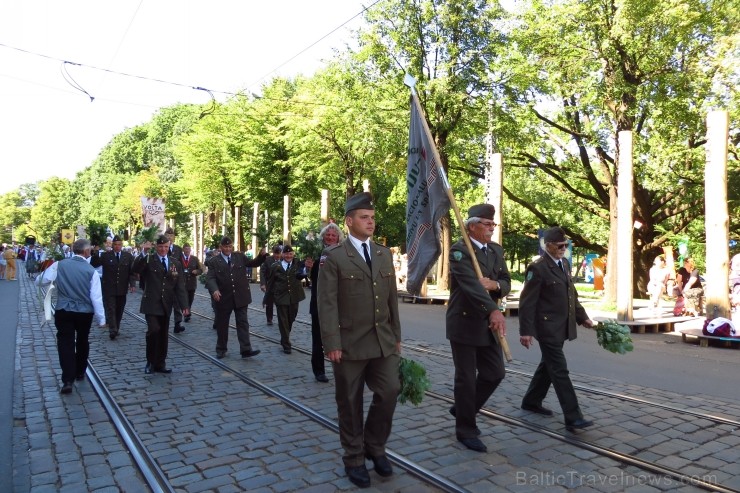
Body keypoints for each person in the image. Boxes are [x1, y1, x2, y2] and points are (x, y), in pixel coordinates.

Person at [318, 192, 401, 489]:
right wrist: (332, 343)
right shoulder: (335, 257)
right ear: (349, 221)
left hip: (382, 340)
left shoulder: (383, 254)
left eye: (373, 218)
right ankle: (353, 457)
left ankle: (375, 446)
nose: (371, 222)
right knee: (350, 401)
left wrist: (397, 337)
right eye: (364, 218)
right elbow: (326, 304)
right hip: (350, 342)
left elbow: (391, 299)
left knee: (391, 390)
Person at [446, 204, 510, 453]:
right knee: (465, 380)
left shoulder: (495, 250)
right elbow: (471, 286)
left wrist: (495, 284)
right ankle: (465, 430)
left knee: (495, 373)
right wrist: (493, 309)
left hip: (487, 324)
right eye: (486, 223)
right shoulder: (460, 251)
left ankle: (464, 409)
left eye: (493, 224)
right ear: (471, 226)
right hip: (464, 322)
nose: (491, 228)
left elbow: (506, 281)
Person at [518, 226, 595, 432]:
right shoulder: (538, 268)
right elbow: (527, 303)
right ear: (548, 246)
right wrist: (525, 331)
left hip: (562, 326)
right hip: (547, 328)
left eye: (566, 245)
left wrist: (583, 317)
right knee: (559, 370)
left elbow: (572, 295)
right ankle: (573, 416)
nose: (564, 248)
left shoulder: (565, 264)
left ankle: (531, 401)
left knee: (548, 366)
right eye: (560, 245)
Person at [36, 239, 105, 393]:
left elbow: (39, 281)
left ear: (74, 250)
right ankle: (80, 371)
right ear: (87, 252)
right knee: (82, 340)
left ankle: (67, 379)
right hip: (84, 313)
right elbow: (96, 297)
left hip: (64, 310)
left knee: (65, 343)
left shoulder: (59, 265)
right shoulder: (91, 271)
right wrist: (101, 319)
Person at [132, 235, 189, 374]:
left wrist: (184, 306)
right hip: (151, 303)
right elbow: (136, 269)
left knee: (163, 333)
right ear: (156, 247)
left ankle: (160, 363)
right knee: (154, 330)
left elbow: (180, 286)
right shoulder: (149, 260)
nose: (163, 249)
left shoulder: (175, 263)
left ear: (169, 247)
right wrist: (144, 252)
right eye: (160, 247)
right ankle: (150, 361)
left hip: (166, 304)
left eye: (166, 247)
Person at [205, 236, 266, 359]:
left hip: (240, 296)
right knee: (222, 324)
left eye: (230, 246)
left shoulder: (239, 256)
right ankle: (221, 349)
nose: (228, 248)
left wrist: (261, 256)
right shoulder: (214, 261)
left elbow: (252, 263)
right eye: (225, 246)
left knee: (243, 323)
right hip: (223, 298)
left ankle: (246, 349)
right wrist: (214, 290)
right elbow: (210, 278)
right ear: (220, 247)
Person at [309, 223, 344, 382]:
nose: (330, 237)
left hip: (340, 305)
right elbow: (315, 282)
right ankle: (319, 370)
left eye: (333, 235)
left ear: (338, 238)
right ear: (323, 237)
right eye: (328, 235)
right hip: (319, 305)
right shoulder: (319, 255)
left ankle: (343, 370)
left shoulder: (344, 255)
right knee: (318, 339)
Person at [90, 235, 137, 340]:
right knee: (111, 308)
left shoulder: (128, 256)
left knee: (119, 309)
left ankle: (117, 327)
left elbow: (131, 272)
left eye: (119, 244)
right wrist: (96, 252)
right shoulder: (106, 256)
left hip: (122, 287)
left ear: (121, 245)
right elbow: (94, 264)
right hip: (109, 287)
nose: (117, 246)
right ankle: (112, 330)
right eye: (115, 244)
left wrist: (132, 284)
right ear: (112, 245)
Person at [267, 245, 310, 354]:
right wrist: (266, 298)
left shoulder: (298, 264)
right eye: (286, 254)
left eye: (290, 254)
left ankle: (284, 337)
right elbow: (271, 283)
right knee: (283, 320)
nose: (288, 256)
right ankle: (286, 344)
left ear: (293, 254)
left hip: (295, 296)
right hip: (280, 297)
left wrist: (307, 270)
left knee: (291, 317)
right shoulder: (275, 266)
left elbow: (304, 273)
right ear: (282, 255)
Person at [165, 227, 186, 333]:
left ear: (174, 237)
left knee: (177, 303)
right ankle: (164, 323)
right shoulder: (161, 247)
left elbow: (181, 265)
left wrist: (182, 280)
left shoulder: (178, 249)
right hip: (165, 280)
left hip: (176, 279)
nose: (169, 237)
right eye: (167, 236)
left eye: (171, 236)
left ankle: (177, 323)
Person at [180, 243, 203, 325]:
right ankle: (186, 314)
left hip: (192, 284)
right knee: (184, 300)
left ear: (190, 250)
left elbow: (201, 270)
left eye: (188, 249)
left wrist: (197, 271)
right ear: (183, 250)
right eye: (185, 249)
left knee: (190, 299)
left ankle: (188, 310)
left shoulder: (194, 259)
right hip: (182, 283)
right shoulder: (179, 258)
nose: (187, 251)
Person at [260, 245, 282, 325]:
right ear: (273, 253)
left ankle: (281, 319)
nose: (277, 256)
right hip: (270, 285)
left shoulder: (283, 259)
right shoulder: (268, 260)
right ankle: (269, 319)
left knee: (281, 304)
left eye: (279, 254)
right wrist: (262, 284)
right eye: (276, 254)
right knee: (269, 303)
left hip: (280, 286)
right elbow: (262, 271)